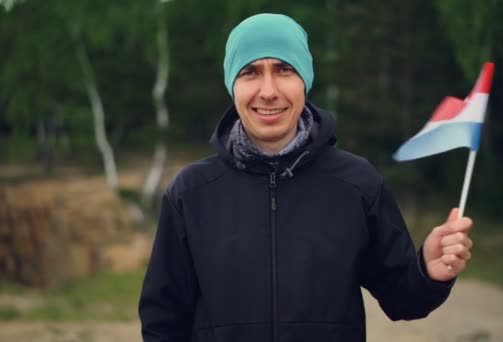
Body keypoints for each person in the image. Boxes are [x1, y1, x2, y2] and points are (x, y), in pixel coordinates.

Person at [139, 13, 473, 342]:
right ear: (232, 84)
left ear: (305, 80)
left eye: (284, 69)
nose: (268, 91)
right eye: (250, 72)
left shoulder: (357, 184)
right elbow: (162, 321)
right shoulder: (192, 192)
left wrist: (428, 272)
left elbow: (402, 299)